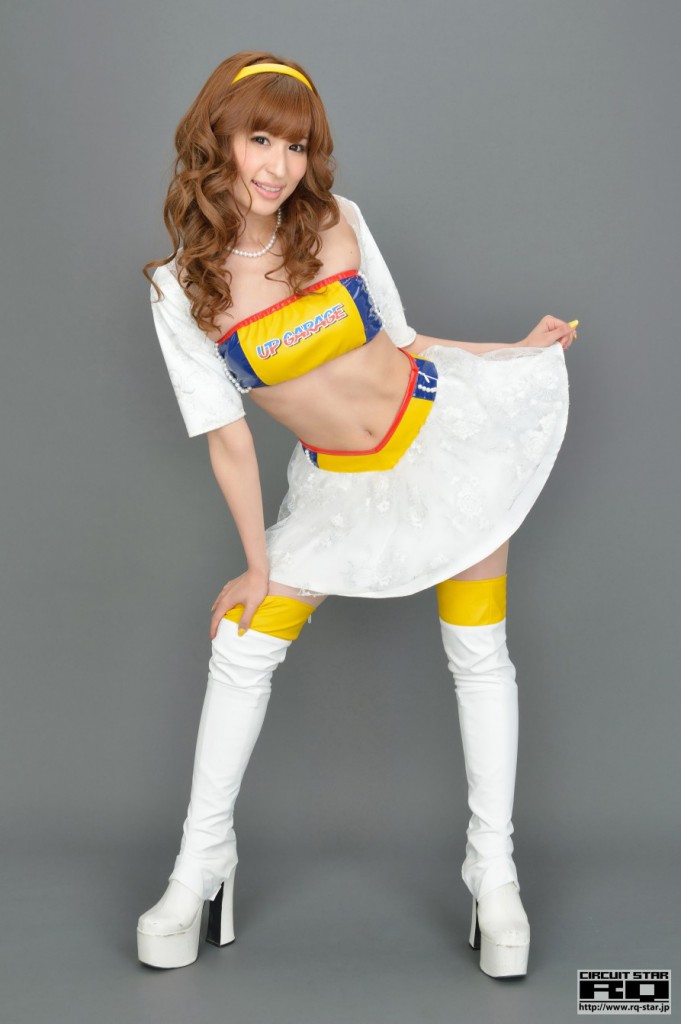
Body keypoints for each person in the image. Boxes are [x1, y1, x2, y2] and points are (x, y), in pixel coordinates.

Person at [136, 51, 574, 977]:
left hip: (446, 444)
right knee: (242, 642)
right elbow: (226, 439)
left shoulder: (338, 222)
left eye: (296, 146)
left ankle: (492, 873)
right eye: (260, 139)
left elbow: (406, 341)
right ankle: (200, 864)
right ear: (217, 138)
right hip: (341, 485)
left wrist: (512, 353)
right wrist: (255, 565)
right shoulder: (180, 288)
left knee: (478, 650)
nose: (278, 166)